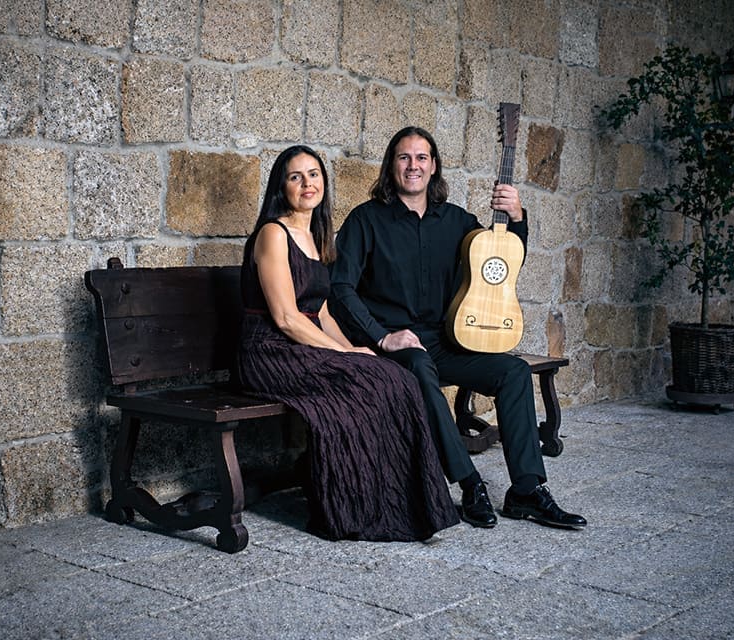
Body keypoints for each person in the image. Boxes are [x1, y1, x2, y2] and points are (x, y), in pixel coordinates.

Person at [329, 126, 586, 530]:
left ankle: (526, 490)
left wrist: (517, 218)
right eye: (404, 157)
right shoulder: (366, 220)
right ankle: (469, 483)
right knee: (418, 365)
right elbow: (340, 287)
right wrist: (381, 335)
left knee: (514, 372)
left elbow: (499, 261)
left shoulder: (457, 221)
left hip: (446, 341)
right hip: (395, 345)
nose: (413, 165)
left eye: (422, 157)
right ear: (390, 166)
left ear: (434, 167)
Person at [237, 144, 460, 541]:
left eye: (314, 175)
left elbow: (321, 313)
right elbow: (288, 319)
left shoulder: (317, 234)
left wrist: (360, 351)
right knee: (370, 380)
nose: (307, 183)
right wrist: (344, 352)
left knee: (391, 374)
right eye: (295, 176)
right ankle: (351, 504)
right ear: (281, 187)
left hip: (301, 346)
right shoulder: (274, 234)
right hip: (269, 350)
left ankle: (400, 502)